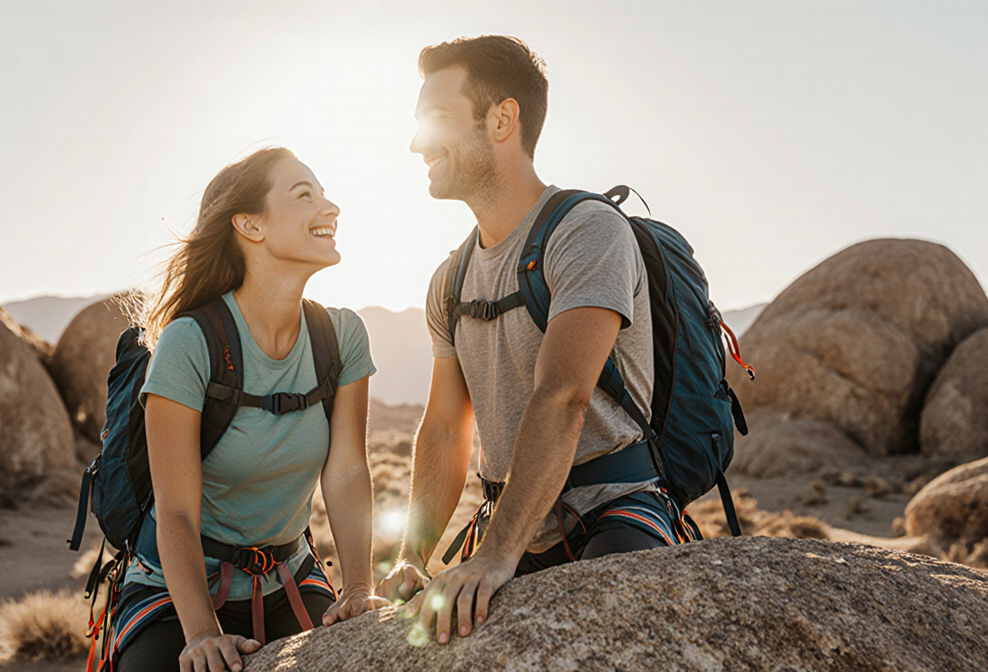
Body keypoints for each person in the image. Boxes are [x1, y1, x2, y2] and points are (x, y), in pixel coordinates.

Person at [376, 36, 696, 644]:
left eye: (436, 118)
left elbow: (562, 395)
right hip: (512, 525)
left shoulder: (587, 231)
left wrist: (497, 556)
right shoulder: (450, 279)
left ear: (502, 119)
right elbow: (444, 427)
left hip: (612, 508)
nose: (418, 142)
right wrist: (413, 556)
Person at [115, 147, 388, 672]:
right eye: (304, 194)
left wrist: (357, 588)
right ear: (250, 224)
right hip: (176, 589)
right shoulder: (189, 342)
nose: (330, 207)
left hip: (289, 575)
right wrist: (201, 635)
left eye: (324, 193)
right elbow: (176, 511)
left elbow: (348, 470)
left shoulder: (342, 337)